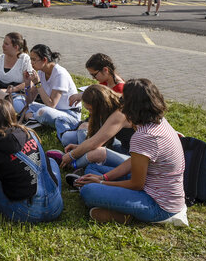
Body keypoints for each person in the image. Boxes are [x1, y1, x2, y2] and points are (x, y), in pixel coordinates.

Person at [74, 79, 188, 226]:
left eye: (123, 99)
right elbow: (134, 162)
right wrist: (104, 177)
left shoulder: (144, 136)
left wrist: (101, 182)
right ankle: (120, 209)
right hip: (153, 186)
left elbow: (136, 184)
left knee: (88, 191)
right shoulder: (158, 121)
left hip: (158, 206)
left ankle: (128, 216)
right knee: (93, 168)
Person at [0, 99, 64, 222]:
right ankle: (50, 196)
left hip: (27, 212)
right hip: (56, 206)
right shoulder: (29, 133)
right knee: (50, 161)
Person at [57, 85, 132, 171]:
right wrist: (80, 148)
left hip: (133, 158)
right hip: (123, 148)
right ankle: (83, 163)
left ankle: (73, 166)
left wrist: (72, 155)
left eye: (90, 109)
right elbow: (99, 141)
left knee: (96, 153)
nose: (90, 113)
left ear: (101, 106)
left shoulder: (119, 114)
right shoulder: (112, 105)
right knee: (83, 130)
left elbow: (94, 143)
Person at [11, 44, 79, 138]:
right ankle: (33, 118)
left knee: (44, 111)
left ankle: (33, 117)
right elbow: (29, 101)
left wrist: (38, 83)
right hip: (53, 111)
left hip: (69, 114)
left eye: (34, 60)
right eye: (30, 59)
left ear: (45, 60)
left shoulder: (59, 74)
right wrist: (27, 84)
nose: (31, 63)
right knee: (17, 100)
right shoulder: (41, 72)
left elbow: (51, 105)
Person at [0, 32, 32, 97]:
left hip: (16, 94)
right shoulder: (0, 58)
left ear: (16, 47)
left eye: (6, 44)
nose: (3, 45)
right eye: (3, 43)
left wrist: (12, 89)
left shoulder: (24, 59)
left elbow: (30, 82)